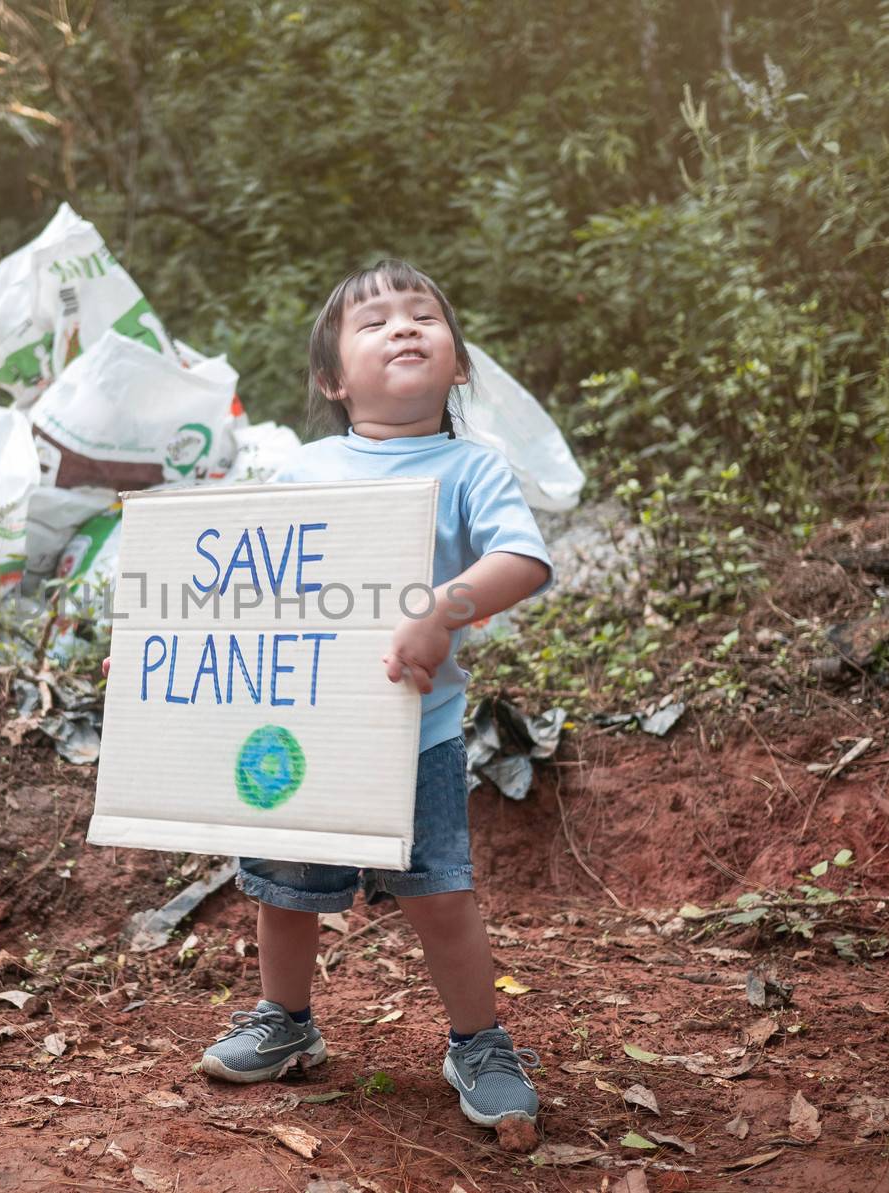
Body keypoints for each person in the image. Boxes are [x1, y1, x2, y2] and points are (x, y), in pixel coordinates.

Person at [197, 259, 555, 1138]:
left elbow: (524, 559)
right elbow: (247, 586)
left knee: (439, 896)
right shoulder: (302, 469)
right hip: (298, 730)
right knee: (284, 886)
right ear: (332, 377)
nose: (403, 328)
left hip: (415, 737)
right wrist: (150, 662)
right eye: (375, 322)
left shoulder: (472, 468)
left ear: (458, 364)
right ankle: (286, 1020)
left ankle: (479, 1040)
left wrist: (445, 608)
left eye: (422, 316)